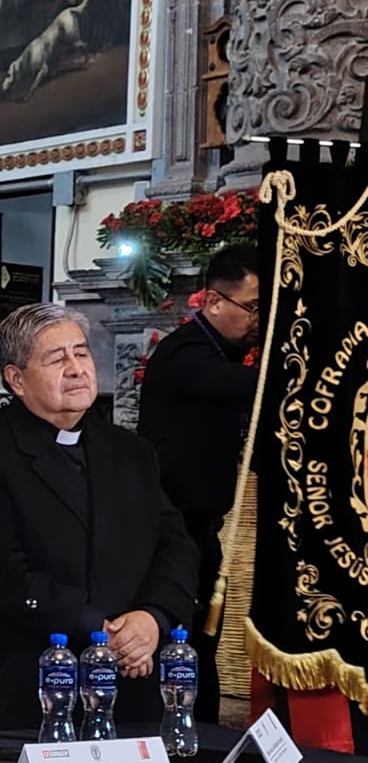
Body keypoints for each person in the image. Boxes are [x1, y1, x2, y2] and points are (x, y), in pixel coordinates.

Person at [0, 304, 198, 732]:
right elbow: (1, 574)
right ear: (16, 379)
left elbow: (175, 545)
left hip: (130, 679)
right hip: (22, 688)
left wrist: (152, 619)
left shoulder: (131, 451)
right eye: (56, 358)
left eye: (81, 354)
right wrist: (103, 632)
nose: (76, 368)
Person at [138, 244, 262, 722]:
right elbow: (247, 386)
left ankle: (202, 727)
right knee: (184, 638)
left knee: (201, 638)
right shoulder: (187, 352)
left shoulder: (218, 350)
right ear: (213, 302)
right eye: (251, 308)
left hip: (199, 520)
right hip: (171, 524)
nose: (256, 320)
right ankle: (188, 728)